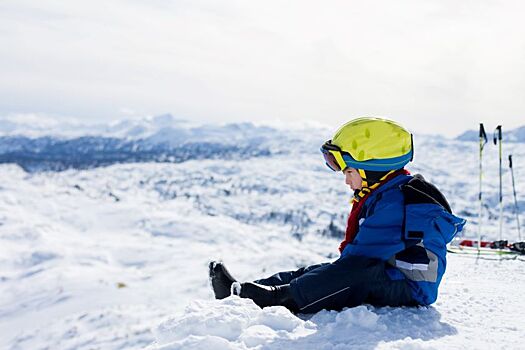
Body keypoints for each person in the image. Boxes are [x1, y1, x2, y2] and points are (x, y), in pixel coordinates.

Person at [209, 117, 466, 314]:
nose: (345, 180)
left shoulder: (396, 205)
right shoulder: (387, 192)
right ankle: (243, 289)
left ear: (370, 169)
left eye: (348, 171)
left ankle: (275, 297)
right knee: (317, 271)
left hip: (410, 286)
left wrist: (321, 280)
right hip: (388, 271)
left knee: (343, 276)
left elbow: (356, 263)